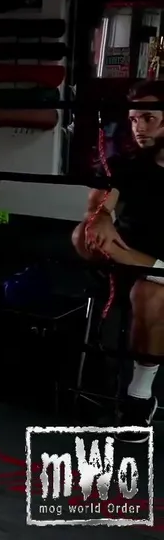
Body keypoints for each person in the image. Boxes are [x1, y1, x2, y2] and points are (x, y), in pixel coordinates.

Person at [73, 80, 164, 438]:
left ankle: (140, 396)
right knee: (81, 234)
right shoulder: (129, 165)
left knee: (149, 293)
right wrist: (101, 217)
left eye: (148, 118)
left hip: (148, 272)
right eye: (133, 119)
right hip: (131, 257)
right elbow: (99, 206)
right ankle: (158, 272)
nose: (139, 127)